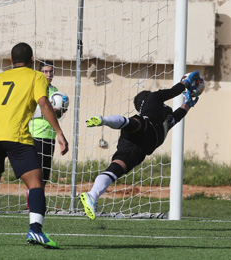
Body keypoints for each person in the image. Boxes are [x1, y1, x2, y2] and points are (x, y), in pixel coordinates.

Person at [0, 42, 69, 249]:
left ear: (11, 61)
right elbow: (44, 103)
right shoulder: (36, 76)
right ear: (32, 61)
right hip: (17, 137)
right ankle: (35, 230)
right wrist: (59, 132)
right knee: (36, 183)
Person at [79, 71, 201, 220]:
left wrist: (188, 103)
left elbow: (177, 116)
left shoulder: (165, 121)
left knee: (116, 168)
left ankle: (92, 195)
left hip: (137, 147)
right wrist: (186, 82)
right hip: (143, 129)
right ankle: (103, 120)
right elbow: (173, 91)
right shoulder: (153, 98)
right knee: (135, 123)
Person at [26, 61, 67, 209]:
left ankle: (38, 203)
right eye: (45, 71)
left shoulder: (56, 91)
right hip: (35, 134)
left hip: (50, 136)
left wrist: (61, 110)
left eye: (51, 72)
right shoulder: (34, 88)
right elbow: (30, 111)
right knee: (34, 173)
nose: (48, 74)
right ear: (40, 73)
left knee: (45, 173)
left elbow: (58, 116)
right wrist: (47, 108)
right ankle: (31, 204)